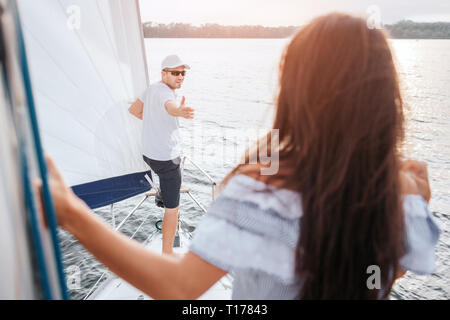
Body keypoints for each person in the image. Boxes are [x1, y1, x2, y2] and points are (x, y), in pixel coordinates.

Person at [45, 13, 440, 299]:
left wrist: (70, 212)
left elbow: (179, 287)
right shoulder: (405, 191)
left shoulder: (262, 188)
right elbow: (391, 272)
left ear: (295, 89)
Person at [129, 54, 194, 255]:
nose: (180, 77)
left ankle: (164, 191)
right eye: (175, 73)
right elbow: (170, 107)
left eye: (183, 73)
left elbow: (134, 110)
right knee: (172, 209)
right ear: (164, 73)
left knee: (168, 182)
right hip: (167, 160)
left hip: (149, 155)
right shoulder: (167, 94)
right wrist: (179, 111)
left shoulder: (151, 89)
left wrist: (153, 121)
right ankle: (168, 253)